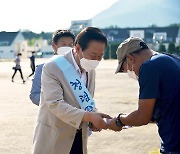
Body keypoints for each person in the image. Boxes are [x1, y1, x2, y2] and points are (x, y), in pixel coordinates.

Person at [32, 27, 111, 154]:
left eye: (100, 56)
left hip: (79, 137)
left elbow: (86, 100)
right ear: (78, 48)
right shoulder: (53, 67)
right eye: (93, 55)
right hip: (55, 138)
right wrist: (89, 116)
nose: (96, 60)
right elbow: (55, 103)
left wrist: (94, 117)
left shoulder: (90, 69)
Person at [108, 37, 180, 153]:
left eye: (124, 69)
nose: (129, 73)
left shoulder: (149, 67)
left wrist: (119, 121)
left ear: (130, 59)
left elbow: (143, 117)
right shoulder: (171, 59)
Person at [29, 29, 75, 105]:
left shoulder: (77, 68)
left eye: (70, 44)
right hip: (51, 114)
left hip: (76, 114)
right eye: (63, 44)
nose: (67, 47)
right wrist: (53, 103)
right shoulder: (42, 68)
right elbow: (34, 95)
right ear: (54, 45)